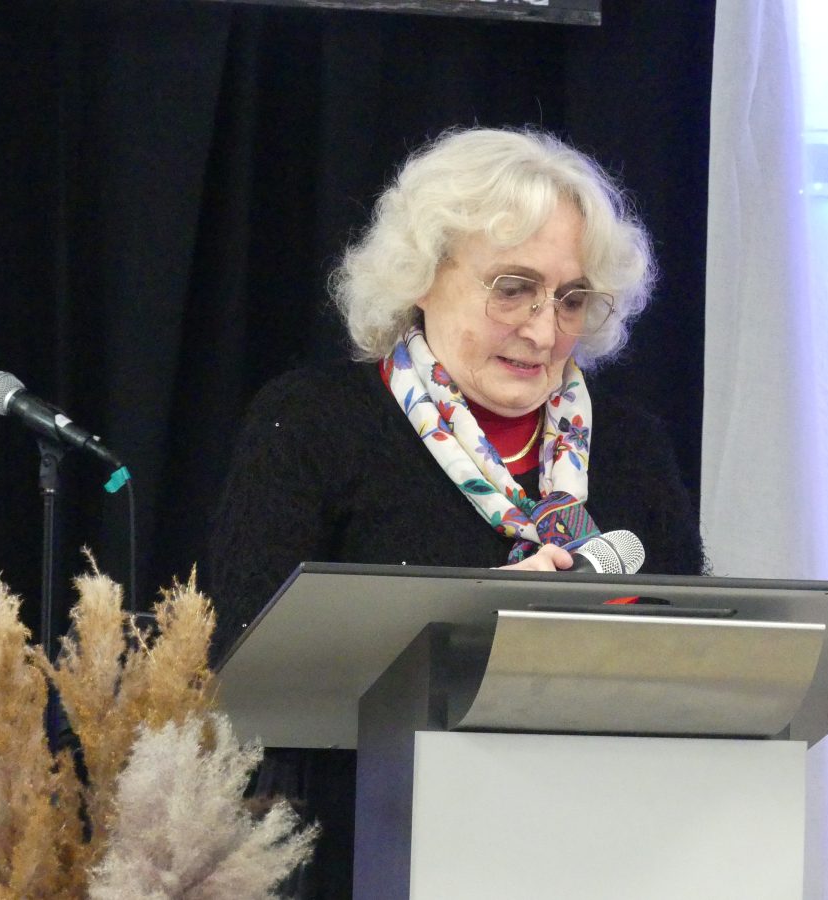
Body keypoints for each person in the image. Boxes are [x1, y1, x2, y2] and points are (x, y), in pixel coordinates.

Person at [207, 126, 705, 897]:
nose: (543, 330)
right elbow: (248, 662)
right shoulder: (311, 423)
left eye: (571, 298)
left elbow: (701, 656)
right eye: (513, 288)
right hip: (364, 848)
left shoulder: (632, 446)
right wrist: (476, 620)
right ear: (422, 273)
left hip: (603, 845)